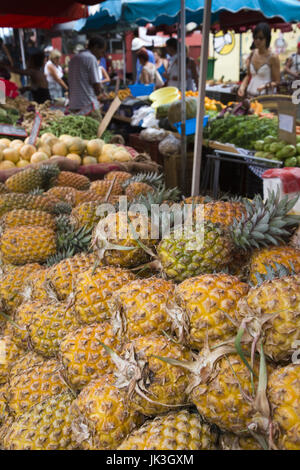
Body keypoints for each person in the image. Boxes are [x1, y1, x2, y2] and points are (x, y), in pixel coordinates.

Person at [238, 23, 280, 98]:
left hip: (266, 97)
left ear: (267, 38)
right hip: (250, 96)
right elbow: (248, 75)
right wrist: (242, 86)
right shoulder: (252, 54)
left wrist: (265, 86)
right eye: (255, 37)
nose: (257, 40)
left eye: (261, 38)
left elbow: (277, 82)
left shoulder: (273, 57)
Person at [68, 36, 106, 117]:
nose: (102, 55)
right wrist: (100, 93)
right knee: (98, 129)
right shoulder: (91, 58)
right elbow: (96, 85)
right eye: (102, 51)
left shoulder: (73, 59)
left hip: (74, 106)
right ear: (95, 47)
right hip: (88, 106)